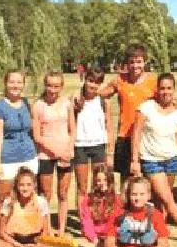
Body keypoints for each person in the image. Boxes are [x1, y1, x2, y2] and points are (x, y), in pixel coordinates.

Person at [131, 72, 177, 241]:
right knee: (168, 198)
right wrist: (135, 160)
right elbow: (136, 134)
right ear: (157, 89)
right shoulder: (146, 108)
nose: (166, 92)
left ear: (174, 90)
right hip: (152, 161)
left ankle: (159, 232)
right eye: (162, 88)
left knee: (163, 201)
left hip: (172, 160)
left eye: (169, 88)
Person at [0, 69, 39, 244]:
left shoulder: (26, 103)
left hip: (28, 155)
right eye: (12, 82)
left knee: (28, 196)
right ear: (5, 83)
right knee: (1, 199)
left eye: (19, 82)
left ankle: (26, 233)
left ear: (23, 84)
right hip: (7, 158)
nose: (15, 86)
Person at [98, 44, 157, 190]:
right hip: (125, 136)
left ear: (145, 62)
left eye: (139, 61)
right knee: (126, 181)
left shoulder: (153, 82)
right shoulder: (120, 81)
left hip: (147, 137)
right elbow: (99, 93)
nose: (135, 65)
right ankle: (125, 212)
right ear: (126, 64)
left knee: (147, 180)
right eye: (131, 62)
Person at [96, 176, 171, 247]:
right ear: (129, 195)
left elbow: (163, 245)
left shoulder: (156, 215)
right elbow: (109, 243)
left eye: (142, 194)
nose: (137, 198)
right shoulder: (118, 214)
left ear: (149, 195)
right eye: (134, 194)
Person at [0, 167, 62, 247]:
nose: (25, 188)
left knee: (63, 243)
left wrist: (38, 246)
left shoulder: (41, 202)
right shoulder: (9, 202)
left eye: (28, 185)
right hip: (15, 241)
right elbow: (1, 232)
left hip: (35, 240)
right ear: (17, 186)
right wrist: (18, 245)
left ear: (34, 185)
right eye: (21, 185)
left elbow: (45, 231)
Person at [33, 70, 76, 236]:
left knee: (63, 193)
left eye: (56, 86)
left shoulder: (67, 104)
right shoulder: (38, 106)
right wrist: (56, 152)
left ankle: (62, 228)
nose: (53, 89)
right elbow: (37, 136)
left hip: (65, 154)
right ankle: (47, 229)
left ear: (62, 86)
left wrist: (69, 149)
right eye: (50, 85)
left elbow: (72, 130)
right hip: (46, 155)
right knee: (46, 194)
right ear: (45, 85)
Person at [72, 66, 114, 210]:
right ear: (85, 79)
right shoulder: (75, 99)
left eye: (97, 82)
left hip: (99, 146)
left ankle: (97, 216)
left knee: (99, 185)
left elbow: (109, 127)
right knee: (82, 187)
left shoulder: (104, 102)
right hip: (80, 146)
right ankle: (84, 222)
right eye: (90, 81)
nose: (93, 85)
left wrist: (110, 152)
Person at [79, 164, 123, 247]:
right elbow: (87, 221)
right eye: (99, 180)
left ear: (110, 181)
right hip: (93, 236)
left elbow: (116, 221)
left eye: (105, 180)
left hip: (111, 236)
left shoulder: (117, 199)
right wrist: (93, 238)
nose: (102, 183)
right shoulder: (88, 199)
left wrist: (109, 237)